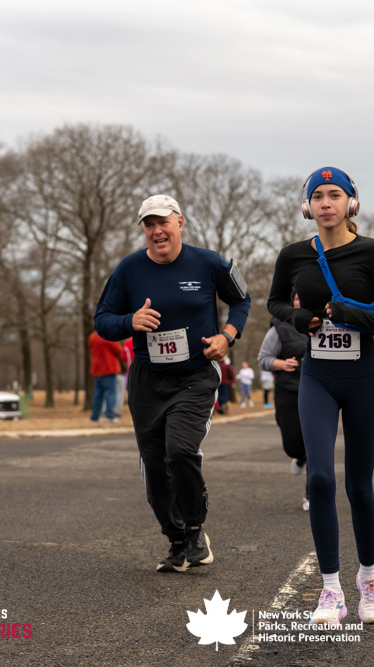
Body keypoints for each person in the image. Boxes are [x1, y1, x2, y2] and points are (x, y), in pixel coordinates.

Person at [268, 166, 374, 626]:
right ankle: (331, 590)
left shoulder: (373, 252)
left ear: (351, 202)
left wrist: (350, 313)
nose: (326, 203)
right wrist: (297, 317)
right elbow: (274, 302)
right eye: (318, 196)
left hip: (363, 377)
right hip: (318, 377)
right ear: (307, 206)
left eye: (335, 195)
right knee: (321, 480)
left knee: (358, 485)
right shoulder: (293, 255)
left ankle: (369, 578)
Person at [94, 194, 251, 573]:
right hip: (148, 381)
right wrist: (130, 321)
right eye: (148, 225)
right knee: (154, 465)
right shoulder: (129, 269)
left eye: (162, 222)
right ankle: (176, 540)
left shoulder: (209, 263)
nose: (156, 231)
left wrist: (227, 336)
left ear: (180, 223)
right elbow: (102, 320)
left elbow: (242, 300)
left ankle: (195, 529)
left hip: (195, 376)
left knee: (179, 450)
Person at [258, 291, 311, 511]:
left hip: (317, 391)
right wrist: (281, 364)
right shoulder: (279, 327)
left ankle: (311, 494)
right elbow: (263, 359)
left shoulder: (326, 324)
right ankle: (299, 457)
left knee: (316, 444)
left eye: (304, 297)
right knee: (293, 445)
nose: (300, 301)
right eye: (297, 298)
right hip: (288, 391)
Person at [88, 331, 126, 424]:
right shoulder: (107, 335)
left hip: (96, 369)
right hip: (108, 369)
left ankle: (94, 417)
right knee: (110, 394)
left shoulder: (92, 336)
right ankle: (110, 416)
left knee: (97, 395)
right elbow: (118, 350)